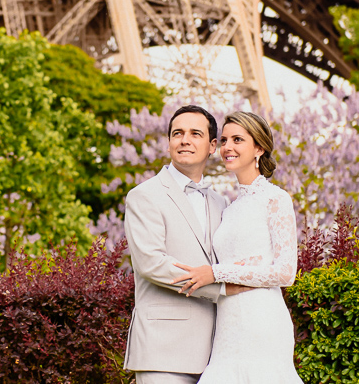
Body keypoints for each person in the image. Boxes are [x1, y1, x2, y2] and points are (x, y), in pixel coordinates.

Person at [173, 111, 304, 384]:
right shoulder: (229, 208)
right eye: (223, 140)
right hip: (227, 326)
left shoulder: (276, 199)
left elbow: (285, 273)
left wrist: (216, 273)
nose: (227, 147)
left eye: (237, 140)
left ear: (259, 147)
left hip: (262, 320)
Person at [123, 105, 250, 383]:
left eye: (195, 133)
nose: (184, 140)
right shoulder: (144, 196)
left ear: (212, 145)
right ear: (169, 142)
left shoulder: (220, 202)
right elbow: (151, 263)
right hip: (163, 349)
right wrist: (221, 287)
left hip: (219, 352)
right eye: (177, 133)